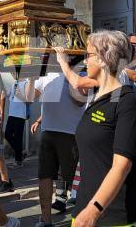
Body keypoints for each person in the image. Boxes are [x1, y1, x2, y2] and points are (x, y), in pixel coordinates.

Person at [56, 30, 136, 226]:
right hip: (84, 208)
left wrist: (94, 209)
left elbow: (121, 165)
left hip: (115, 215)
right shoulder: (98, 97)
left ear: (103, 59)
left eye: (88, 55)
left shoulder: (127, 102)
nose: (85, 61)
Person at [22, 71, 86, 226]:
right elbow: (28, 98)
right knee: (45, 177)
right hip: (48, 133)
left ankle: (85, 219)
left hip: (71, 134)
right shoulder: (46, 76)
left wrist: (67, 72)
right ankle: (46, 220)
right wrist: (31, 75)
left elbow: (79, 101)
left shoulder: (82, 73)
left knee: (73, 180)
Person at [4, 79, 29, 168]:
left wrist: (20, 95)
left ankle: (18, 161)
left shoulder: (26, 82)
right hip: (12, 113)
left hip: (20, 114)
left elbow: (29, 99)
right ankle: (21, 152)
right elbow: (9, 95)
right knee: (7, 134)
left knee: (18, 137)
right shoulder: (14, 82)